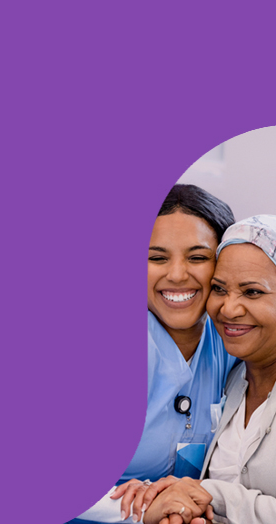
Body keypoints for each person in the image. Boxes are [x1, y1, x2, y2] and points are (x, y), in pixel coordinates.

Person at [71, 185, 237, 524]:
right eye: (156, 258)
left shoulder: (232, 342)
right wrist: (144, 510)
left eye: (197, 257)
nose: (177, 275)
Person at [129, 215, 276, 524]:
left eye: (252, 292)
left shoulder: (225, 356)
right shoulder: (236, 378)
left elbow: (207, 496)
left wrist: (208, 495)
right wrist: (147, 501)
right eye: (220, 289)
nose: (229, 309)